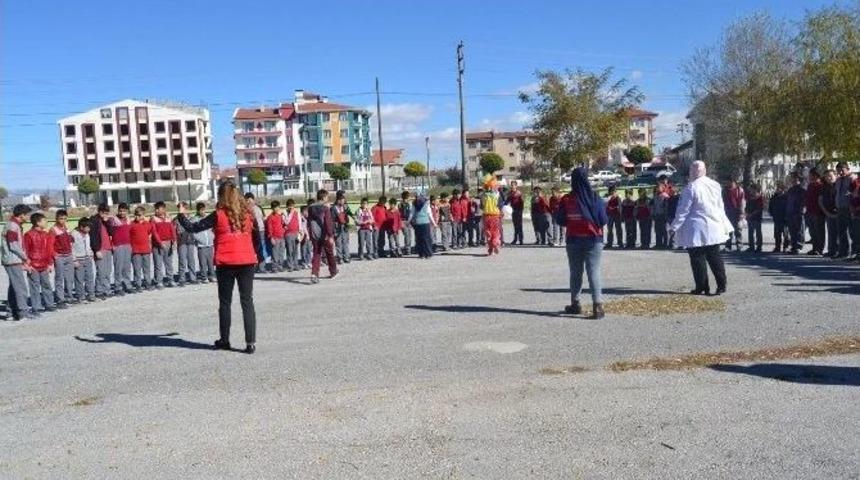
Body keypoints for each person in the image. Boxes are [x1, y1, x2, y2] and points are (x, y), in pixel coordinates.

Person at [177, 182, 259, 354]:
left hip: (226, 261)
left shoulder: (218, 214)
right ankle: (250, 342)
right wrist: (255, 254)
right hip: (246, 260)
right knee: (247, 302)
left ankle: (225, 339)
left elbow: (193, 227)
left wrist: (182, 215)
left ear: (221, 196)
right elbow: (257, 236)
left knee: (225, 303)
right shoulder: (248, 214)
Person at [669, 161, 733, 296]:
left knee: (698, 259)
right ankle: (722, 285)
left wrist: (674, 227)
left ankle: (702, 286)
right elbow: (720, 206)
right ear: (705, 170)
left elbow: (683, 211)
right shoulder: (715, 185)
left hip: (696, 229)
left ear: (692, 172)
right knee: (715, 257)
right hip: (713, 226)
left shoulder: (691, 188)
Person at [556, 168, 607, 319]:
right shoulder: (594, 197)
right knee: (594, 272)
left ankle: (575, 303)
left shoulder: (566, 199)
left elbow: (560, 220)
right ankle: (597, 306)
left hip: (573, 240)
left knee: (575, 273)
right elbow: (603, 220)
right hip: (593, 240)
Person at [2, 204, 33, 320]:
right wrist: (25, 257)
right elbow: (14, 245)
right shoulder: (12, 226)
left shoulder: (15, 225)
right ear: (21, 215)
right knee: (20, 287)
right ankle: (23, 313)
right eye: (27, 214)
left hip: (12, 259)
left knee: (14, 286)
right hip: (12, 260)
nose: (28, 217)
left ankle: (11, 312)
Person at [24, 212, 56, 314]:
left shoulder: (46, 235)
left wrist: (50, 263)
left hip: (45, 265)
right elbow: (25, 250)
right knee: (34, 287)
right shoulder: (28, 235)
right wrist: (27, 264)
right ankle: (36, 307)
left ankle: (49, 304)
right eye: (44, 220)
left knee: (47, 285)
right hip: (33, 266)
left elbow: (49, 250)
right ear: (38, 222)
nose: (46, 222)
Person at [308, 189, 338, 283]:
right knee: (329, 253)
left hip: (314, 234)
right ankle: (333, 271)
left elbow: (309, 221)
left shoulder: (311, 207)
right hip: (324, 234)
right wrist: (330, 235)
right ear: (324, 197)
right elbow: (328, 222)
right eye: (327, 197)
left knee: (316, 254)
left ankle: (314, 274)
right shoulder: (325, 208)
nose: (328, 199)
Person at [129, 206, 159, 291]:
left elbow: (150, 232)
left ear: (143, 215)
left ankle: (148, 283)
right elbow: (128, 236)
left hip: (146, 250)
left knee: (146, 268)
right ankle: (138, 284)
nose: (137, 217)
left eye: (139, 215)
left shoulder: (147, 224)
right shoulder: (131, 224)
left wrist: (147, 220)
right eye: (136, 215)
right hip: (135, 250)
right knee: (137, 269)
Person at [89, 203, 114, 299]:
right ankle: (99, 291)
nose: (105, 215)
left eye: (107, 213)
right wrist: (96, 250)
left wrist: (107, 222)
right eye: (103, 213)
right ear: (99, 211)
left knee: (108, 271)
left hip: (108, 248)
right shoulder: (94, 220)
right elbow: (93, 236)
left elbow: (112, 232)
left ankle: (107, 289)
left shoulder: (107, 220)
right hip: (100, 249)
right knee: (101, 271)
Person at [51, 210, 75, 307]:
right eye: (61, 218)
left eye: (65, 219)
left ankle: (69, 296)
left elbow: (70, 241)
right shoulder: (53, 230)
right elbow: (50, 244)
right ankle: (60, 299)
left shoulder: (66, 228)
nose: (63, 220)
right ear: (56, 219)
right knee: (59, 278)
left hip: (68, 255)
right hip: (59, 256)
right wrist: (55, 255)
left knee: (69, 278)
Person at [109, 203, 134, 294]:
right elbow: (109, 233)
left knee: (127, 267)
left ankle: (127, 285)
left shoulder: (128, 220)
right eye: (120, 211)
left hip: (127, 245)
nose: (122, 212)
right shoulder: (113, 220)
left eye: (124, 211)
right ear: (118, 210)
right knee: (118, 267)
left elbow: (131, 233)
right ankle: (118, 287)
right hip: (118, 246)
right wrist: (113, 245)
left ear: (127, 211)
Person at [151, 201, 176, 288]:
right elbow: (154, 232)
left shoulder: (168, 218)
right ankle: (159, 281)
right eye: (156, 209)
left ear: (164, 209)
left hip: (168, 243)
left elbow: (172, 230)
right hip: (157, 245)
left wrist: (174, 241)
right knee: (158, 264)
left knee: (169, 263)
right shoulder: (153, 219)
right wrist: (160, 242)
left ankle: (170, 280)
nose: (157, 210)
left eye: (159, 209)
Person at [834, 162, 856, 259]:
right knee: (841, 231)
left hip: (849, 208)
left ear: (848, 168)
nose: (840, 173)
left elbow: (853, 193)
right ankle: (843, 251)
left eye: (842, 170)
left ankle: (854, 252)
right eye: (838, 171)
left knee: (852, 231)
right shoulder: (838, 180)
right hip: (839, 208)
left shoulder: (852, 179)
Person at [71, 217, 96, 303]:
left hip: (87, 258)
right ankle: (80, 296)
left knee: (90, 277)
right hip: (79, 260)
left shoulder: (87, 235)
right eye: (87, 227)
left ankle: (91, 295)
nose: (89, 229)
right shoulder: (73, 234)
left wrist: (90, 253)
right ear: (81, 227)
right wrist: (74, 260)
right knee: (79, 279)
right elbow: (71, 248)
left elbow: (88, 246)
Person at [193, 202, 216, 282]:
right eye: (201, 210)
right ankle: (204, 276)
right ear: (198, 211)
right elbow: (193, 232)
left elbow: (212, 229)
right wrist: (199, 239)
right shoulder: (194, 219)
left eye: (204, 210)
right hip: (201, 245)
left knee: (210, 261)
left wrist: (212, 237)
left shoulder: (208, 217)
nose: (203, 212)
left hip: (209, 243)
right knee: (203, 262)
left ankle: (212, 275)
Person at [481, 175, 504, 256]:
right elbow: (500, 205)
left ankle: (490, 248)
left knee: (488, 232)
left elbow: (482, 205)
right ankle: (495, 244)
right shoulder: (497, 195)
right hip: (495, 215)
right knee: (496, 232)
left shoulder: (483, 195)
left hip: (486, 215)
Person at [244, 192, 267, 273]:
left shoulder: (259, 208)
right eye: (247, 201)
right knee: (251, 250)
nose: (249, 202)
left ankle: (262, 267)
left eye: (251, 200)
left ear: (253, 200)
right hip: (250, 232)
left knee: (261, 249)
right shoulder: (244, 210)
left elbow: (264, 219)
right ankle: (253, 267)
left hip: (260, 231)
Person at [819, 169, 839, 258]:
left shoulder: (838, 186)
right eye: (827, 176)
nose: (828, 178)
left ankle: (840, 251)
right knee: (831, 233)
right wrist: (826, 212)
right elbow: (820, 201)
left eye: (830, 176)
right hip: (828, 213)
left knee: (840, 233)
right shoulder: (824, 187)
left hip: (840, 213)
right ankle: (831, 250)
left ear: (836, 176)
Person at [805, 170, 825, 255]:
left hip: (818, 212)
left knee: (819, 232)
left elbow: (821, 200)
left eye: (811, 175)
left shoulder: (820, 186)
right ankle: (814, 248)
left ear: (816, 176)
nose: (809, 177)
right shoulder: (810, 185)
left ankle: (819, 249)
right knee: (812, 232)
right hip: (809, 211)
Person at [784, 173, 806, 254]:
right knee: (792, 231)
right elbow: (787, 202)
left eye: (795, 179)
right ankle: (793, 246)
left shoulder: (802, 190)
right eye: (792, 179)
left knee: (799, 231)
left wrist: (801, 211)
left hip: (798, 213)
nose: (793, 180)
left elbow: (804, 203)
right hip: (790, 213)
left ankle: (799, 246)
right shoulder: (790, 190)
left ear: (799, 180)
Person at [723, 178, 746, 251]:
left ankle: (739, 245)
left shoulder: (739, 190)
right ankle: (728, 246)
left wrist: (742, 213)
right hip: (727, 211)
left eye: (730, 182)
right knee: (728, 229)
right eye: (728, 182)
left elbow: (742, 202)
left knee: (738, 229)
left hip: (737, 211)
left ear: (734, 182)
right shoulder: (725, 190)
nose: (729, 184)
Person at [412, 193, 435, 259]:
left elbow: (412, 214)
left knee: (419, 239)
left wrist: (408, 221)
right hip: (425, 223)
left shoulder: (414, 204)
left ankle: (421, 254)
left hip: (417, 223)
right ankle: (428, 254)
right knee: (426, 239)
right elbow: (430, 214)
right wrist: (434, 223)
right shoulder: (426, 204)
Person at [266, 200, 286, 272]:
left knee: (281, 252)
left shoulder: (280, 216)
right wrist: (271, 238)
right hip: (275, 238)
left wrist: (284, 229)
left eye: (277, 207)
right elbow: (269, 228)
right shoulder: (270, 217)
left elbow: (283, 225)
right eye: (275, 207)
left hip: (282, 237)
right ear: (272, 208)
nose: (276, 209)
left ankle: (280, 266)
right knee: (275, 253)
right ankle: (274, 267)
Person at [331, 193, 352, 263]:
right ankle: (340, 257)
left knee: (345, 242)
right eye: (342, 200)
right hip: (337, 227)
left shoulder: (345, 207)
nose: (344, 202)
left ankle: (346, 256)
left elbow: (349, 214)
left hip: (344, 226)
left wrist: (346, 211)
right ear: (338, 200)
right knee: (338, 242)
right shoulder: (333, 208)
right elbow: (332, 219)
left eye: (344, 200)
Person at [768, 182, 788, 253]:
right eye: (777, 188)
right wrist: (771, 213)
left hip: (784, 219)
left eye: (779, 188)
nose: (777, 189)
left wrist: (787, 216)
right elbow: (770, 206)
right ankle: (777, 247)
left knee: (785, 234)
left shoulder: (786, 197)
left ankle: (785, 247)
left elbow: (788, 207)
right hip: (776, 218)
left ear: (783, 189)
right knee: (777, 234)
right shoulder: (774, 197)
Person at [745, 185, 764, 252]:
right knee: (750, 232)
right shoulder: (749, 197)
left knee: (758, 232)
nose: (751, 191)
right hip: (750, 217)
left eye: (752, 189)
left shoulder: (759, 197)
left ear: (755, 189)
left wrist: (751, 214)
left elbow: (759, 208)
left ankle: (759, 246)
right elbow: (746, 206)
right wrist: (746, 213)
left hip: (756, 217)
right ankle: (751, 246)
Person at [282, 199, 300, 271]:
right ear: (287, 206)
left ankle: (296, 264)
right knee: (289, 250)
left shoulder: (297, 213)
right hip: (288, 234)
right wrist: (291, 214)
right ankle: (290, 265)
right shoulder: (284, 213)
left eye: (292, 206)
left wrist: (300, 231)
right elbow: (286, 222)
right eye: (289, 206)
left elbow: (299, 223)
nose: (291, 207)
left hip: (296, 233)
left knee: (296, 250)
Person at [507, 181, 525, 245]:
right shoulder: (510, 193)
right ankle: (515, 239)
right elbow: (507, 201)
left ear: (516, 186)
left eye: (513, 185)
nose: (512, 186)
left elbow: (522, 202)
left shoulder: (519, 193)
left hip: (519, 211)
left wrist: (521, 211)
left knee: (519, 226)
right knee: (515, 226)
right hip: (513, 211)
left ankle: (521, 240)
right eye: (511, 185)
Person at [652, 185, 669, 249]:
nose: (657, 189)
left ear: (663, 188)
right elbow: (654, 206)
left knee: (664, 231)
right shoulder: (655, 196)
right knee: (657, 230)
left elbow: (666, 207)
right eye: (657, 188)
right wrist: (653, 214)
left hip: (663, 215)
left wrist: (665, 215)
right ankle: (658, 244)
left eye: (659, 188)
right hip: (657, 215)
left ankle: (665, 244)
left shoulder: (665, 196)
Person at [850, 175, 860, 262]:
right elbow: (853, 197)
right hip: (855, 214)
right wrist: (852, 208)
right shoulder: (857, 184)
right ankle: (857, 254)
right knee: (856, 236)